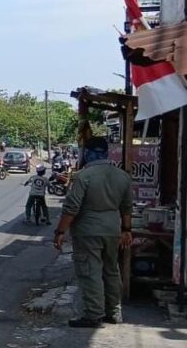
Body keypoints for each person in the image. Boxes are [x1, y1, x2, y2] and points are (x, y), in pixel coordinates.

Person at [53, 137, 133, 328]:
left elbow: (71, 208)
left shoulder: (84, 176)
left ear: (87, 153)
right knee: (111, 270)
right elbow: (127, 207)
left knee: (90, 272)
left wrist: (60, 231)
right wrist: (127, 230)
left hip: (88, 231)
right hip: (113, 230)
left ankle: (93, 315)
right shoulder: (122, 176)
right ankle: (114, 312)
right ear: (106, 153)